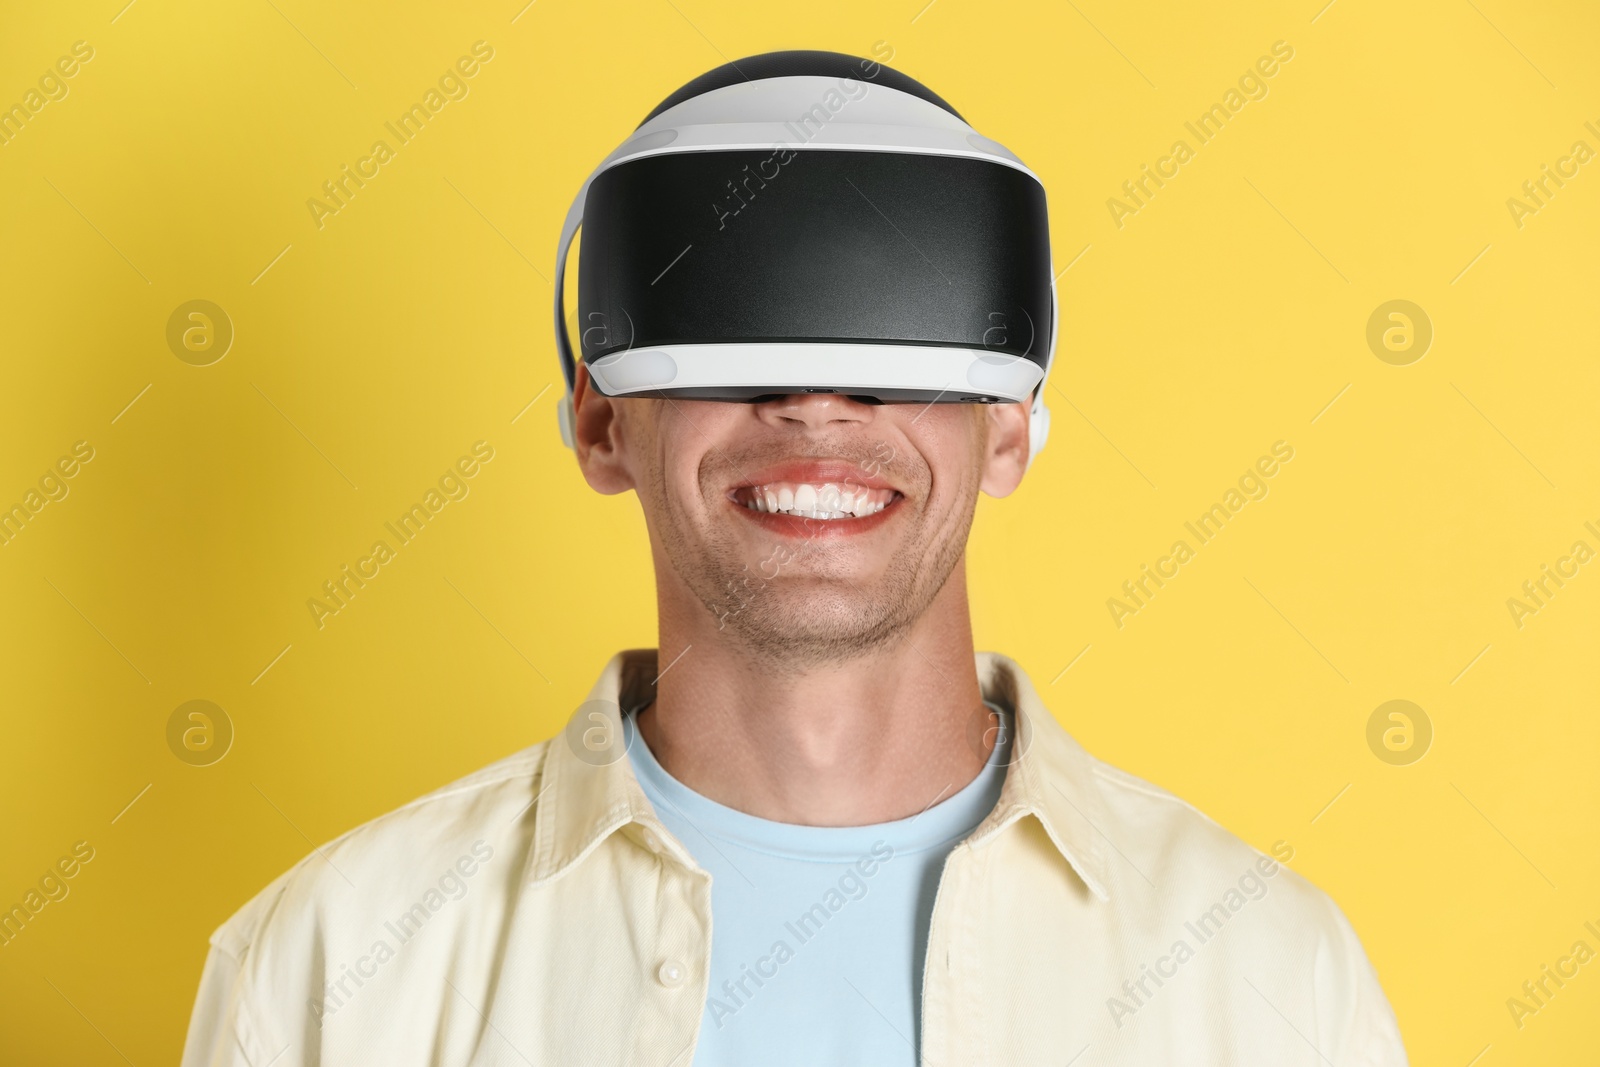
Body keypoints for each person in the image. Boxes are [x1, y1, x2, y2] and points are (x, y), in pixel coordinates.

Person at [181, 51, 1408, 1066]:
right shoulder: (336, 968)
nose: (816, 404)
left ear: (1009, 427)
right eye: (727, 345)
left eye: (903, 344)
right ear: (601, 421)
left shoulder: (1265, 975)